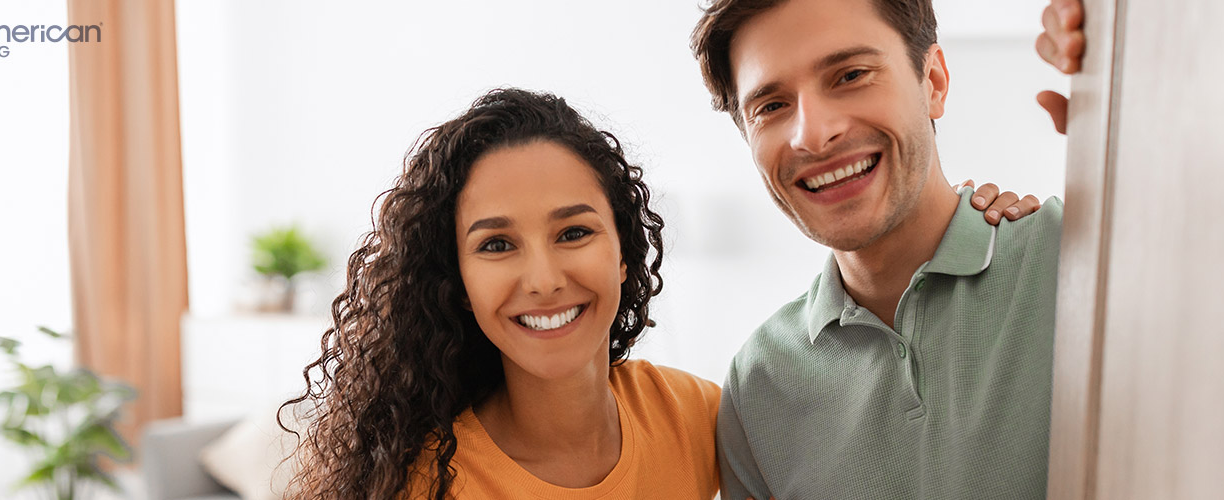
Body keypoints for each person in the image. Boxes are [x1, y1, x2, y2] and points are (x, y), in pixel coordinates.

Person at [277, 87, 1042, 499]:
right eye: (497, 245)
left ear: (624, 252)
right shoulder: (417, 481)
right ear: (457, 279)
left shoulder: (698, 414)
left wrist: (979, 214)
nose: (543, 277)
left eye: (574, 232)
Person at [689, 0, 1085, 498]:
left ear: (934, 82)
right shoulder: (758, 386)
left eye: (850, 75)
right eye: (771, 106)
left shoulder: (1080, 262)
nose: (813, 134)